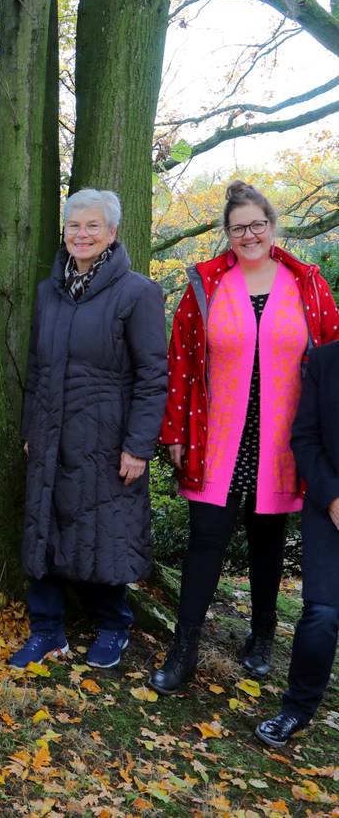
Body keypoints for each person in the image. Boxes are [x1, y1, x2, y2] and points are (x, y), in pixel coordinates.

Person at [150, 181, 339, 695]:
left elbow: (329, 363)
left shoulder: (308, 285)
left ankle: (260, 638)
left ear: (273, 226)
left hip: (284, 438)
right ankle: (183, 649)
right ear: (227, 234)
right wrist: (175, 430)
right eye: (239, 228)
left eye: (258, 224)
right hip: (218, 435)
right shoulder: (206, 286)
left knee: (267, 542)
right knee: (205, 540)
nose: (250, 234)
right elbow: (182, 362)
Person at [10, 189, 167, 671]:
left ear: (113, 233)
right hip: (53, 436)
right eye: (74, 225)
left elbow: (153, 376)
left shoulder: (138, 293)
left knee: (104, 535)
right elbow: (37, 369)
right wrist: (32, 428)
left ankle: (114, 626)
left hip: (107, 441)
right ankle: (47, 631)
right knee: (45, 530)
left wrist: (139, 446)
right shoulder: (48, 292)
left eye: (92, 226)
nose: (82, 234)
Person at [255, 339, 339, 746]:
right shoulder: (325, 360)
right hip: (331, 504)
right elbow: (305, 438)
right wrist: (333, 498)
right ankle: (296, 710)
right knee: (322, 613)